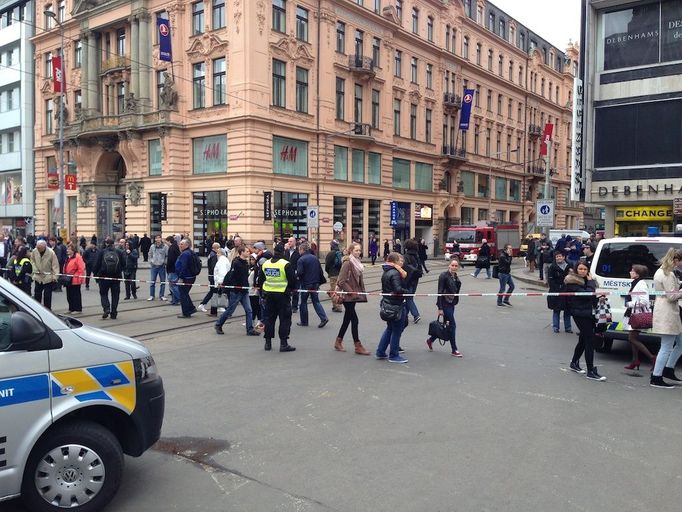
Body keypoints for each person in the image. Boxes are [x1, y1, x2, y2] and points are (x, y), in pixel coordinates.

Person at [565, 262, 605, 381]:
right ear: (576, 270)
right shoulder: (572, 281)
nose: (582, 271)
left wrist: (598, 298)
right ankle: (590, 371)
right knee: (589, 340)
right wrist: (591, 283)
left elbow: (590, 295)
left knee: (583, 339)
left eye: (585, 269)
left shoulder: (587, 281)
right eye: (580, 269)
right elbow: (586, 294)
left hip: (589, 312)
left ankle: (574, 363)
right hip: (580, 313)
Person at [650, 248, 682, 388]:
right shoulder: (667, 274)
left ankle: (668, 370)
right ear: (675, 260)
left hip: (667, 311)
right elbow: (671, 296)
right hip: (667, 312)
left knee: (680, 343)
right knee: (666, 347)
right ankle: (656, 377)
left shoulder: (662, 271)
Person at [334, 242, 370, 355]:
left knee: (347, 319)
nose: (358, 252)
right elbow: (341, 281)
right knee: (354, 320)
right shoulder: (348, 263)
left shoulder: (357, 262)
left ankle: (338, 341)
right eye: (356, 250)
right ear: (350, 251)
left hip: (353, 295)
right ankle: (357, 345)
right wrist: (351, 292)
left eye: (359, 250)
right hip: (347, 295)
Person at [259, 243, 297, 352]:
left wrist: (263, 292)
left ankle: (267, 343)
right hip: (282, 295)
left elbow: (261, 280)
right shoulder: (285, 264)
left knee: (269, 319)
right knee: (284, 319)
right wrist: (290, 289)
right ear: (283, 252)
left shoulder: (266, 264)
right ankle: (283, 344)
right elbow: (292, 280)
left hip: (269, 295)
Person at [215, 246, 260, 336]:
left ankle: (249, 329)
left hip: (244, 290)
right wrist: (234, 288)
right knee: (230, 310)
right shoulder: (236, 263)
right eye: (247, 251)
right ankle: (218, 324)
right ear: (241, 252)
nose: (249, 253)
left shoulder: (245, 263)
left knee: (249, 310)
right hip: (237, 291)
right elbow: (232, 277)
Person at [376, 252, 410, 363]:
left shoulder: (386, 271)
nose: (402, 262)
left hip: (388, 303)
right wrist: (407, 292)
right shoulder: (395, 273)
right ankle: (394, 355)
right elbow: (397, 289)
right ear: (395, 262)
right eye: (400, 260)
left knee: (390, 328)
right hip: (396, 305)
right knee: (396, 330)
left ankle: (381, 351)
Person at [426, 258, 463, 357]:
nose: (454, 267)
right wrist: (440, 308)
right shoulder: (443, 275)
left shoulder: (455, 277)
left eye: (456, 266)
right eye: (452, 265)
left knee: (446, 326)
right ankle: (454, 349)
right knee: (452, 326)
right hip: (445, 303)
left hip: (451, 304)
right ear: (449, 266)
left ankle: (430, 340)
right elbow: (440, 292)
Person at [623, 265, 656, 370]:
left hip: (638, 315)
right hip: (634, 314)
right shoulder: (636, 283)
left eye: (632, 271)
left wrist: (629, 304)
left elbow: (644, 301)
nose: (630, 272)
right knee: (633, 338)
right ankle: (635, 361)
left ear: (637, 274)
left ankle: (652, 358)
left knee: (632, 338)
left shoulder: (641, 284)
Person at [296, 241, 329, 328]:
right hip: (315, 283)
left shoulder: (301, 259)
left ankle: (304, 321)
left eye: (299, 250)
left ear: (302, 250)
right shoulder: (315, 258)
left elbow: (300, 272)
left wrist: (296, 276)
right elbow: (320, 271)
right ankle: (323, 317)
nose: (299, 251)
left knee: (303, 302)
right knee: (316, 301)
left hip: (305, 284)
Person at [93, 237, 125, 319]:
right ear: (113, 244)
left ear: (106, 244)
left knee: (103, 294)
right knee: (115, 295)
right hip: (116, 277)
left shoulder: (101, 252)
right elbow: (124, 264)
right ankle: (114, 312)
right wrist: (119, 271)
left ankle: (106, 308)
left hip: (103, 277)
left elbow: (96, 265)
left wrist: (96, 276)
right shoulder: (119, 252)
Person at [547, 251, 572, 334]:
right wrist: (557, 288)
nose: (558, 258)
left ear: (563, 257)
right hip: (556, 291)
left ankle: (568, 328)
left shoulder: (569, 266)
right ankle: (556, 327)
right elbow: (550, 280)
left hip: (567, 291)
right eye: (557, 257)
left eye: (560, 256)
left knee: (567, 310)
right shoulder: (552, 267)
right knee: (556, 310)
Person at [30, 239, 59, 310]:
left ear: (44, 247)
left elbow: (55, 265)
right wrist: (35, 269)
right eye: (37, 247)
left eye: (40, 248)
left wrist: (55, 276)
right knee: (37, 294)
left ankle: (48, 309)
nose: (38, 249)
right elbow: (32, 261)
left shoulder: (51, 252)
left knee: (47, 295)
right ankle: (37, 309)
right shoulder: (34, 251)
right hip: (38, 276)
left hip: (48, 277)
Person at [402, 239, 423, 324]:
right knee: (409, 297)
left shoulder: (406, 256)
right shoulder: (416, 255)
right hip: (415, 279)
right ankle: (405, 315)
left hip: (408, 280)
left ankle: (416, 314)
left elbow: (405, 268)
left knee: (408, 298)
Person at [175, 238, 197, 318]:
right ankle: (191, 308)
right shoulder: (190, 252)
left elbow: (183, 266)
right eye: (180, 244)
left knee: (183, 295)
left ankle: (186, 312)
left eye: (182, 244)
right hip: (190, 276)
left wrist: (181, 277)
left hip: (186, 277)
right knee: (185, 293)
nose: (180, 245)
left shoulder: (185, 254)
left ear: (187, 245)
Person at [198, 243, 222, 313]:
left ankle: (205, 304)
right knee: (213, 291)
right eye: (219, 248)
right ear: (216, 248)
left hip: (211, 275)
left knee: (214, 291)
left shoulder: (210, 254)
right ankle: (203, 304)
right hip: (213, 276)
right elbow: (214, 267)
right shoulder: (214, 256)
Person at [63, 243, 85, 314]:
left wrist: (80, 278)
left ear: (73, 250)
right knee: (69, 294)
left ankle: (78, 309)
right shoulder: (68, 257)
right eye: (67, 249)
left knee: (76, 294)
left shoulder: (78, 257)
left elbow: (81, 268)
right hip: (68, 278)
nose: (67, 250)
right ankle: (71, 308)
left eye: (69, 249)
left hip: (75, 278)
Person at [325, 240, 343, 313]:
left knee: (334, 291)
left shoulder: (330, 253)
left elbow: (327, 266)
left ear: (332, 245)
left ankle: (337, 307)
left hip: (333, 274)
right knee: (336, 289)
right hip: (339, 273)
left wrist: (329, 272)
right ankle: (335, 305)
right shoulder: (340, 253)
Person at [148, 235, 168, 301]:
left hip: (161, 266)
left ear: (161, 239)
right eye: (156, 238)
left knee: (162, 282)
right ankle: (151, 295)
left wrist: (164, 262)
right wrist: (151, 262)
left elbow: (167, 255)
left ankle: (161, 295)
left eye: (159, 238)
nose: (158, 239)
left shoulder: (165, 246)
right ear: (155, 239)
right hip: (154, 266)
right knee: (152, 282)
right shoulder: (152, 246)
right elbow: (150, 254)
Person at [166, 235, 181, 305]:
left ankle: (179, 298)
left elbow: (170, 260)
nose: (166, 244)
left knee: (173, 286)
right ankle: (174, 300)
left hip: (172, 269)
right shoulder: (176, 246)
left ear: (169, 241)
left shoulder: (171, 248)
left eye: (167, 242)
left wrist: (168, 267)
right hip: (175, 269)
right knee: (174, 285)